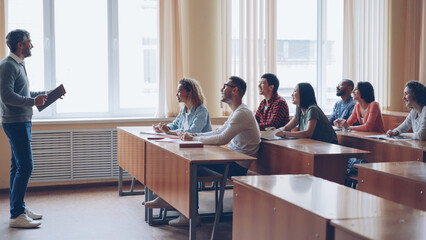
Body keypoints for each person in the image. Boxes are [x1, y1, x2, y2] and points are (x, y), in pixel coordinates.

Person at [145, 76, 261, 226]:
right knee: (180, 161)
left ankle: (190, 215)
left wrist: (192, 138)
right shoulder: (237, 112)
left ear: (235, 90)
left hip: (236, 165)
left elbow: (221, 139)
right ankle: (170, 200)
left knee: (187, 165)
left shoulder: (242, 113)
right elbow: (217, 132)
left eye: (225, 86)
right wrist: (193, 136)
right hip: (230, 158)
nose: (221, 89)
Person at [0, 29, 63, 228]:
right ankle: (16, 215)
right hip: (16, 122)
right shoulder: (8, 66)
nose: (32, 45)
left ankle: (18, 208)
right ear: (21, 44)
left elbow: (25, 94)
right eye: (29, 42)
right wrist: (32, 101)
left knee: (17, 167)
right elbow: (7, 96)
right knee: (26, 166)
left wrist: (46, 94)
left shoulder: (17, 65)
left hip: (21, 121)